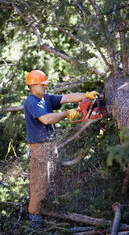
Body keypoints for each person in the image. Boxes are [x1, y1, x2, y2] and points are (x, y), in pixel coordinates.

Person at [24, 70, 99, 227]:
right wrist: (66, 113)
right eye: (42, 84)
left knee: (56, 176)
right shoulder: (31, 102)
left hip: (51, 145)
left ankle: (55, 206)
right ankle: (35, 215)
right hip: (39, 147)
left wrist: (86, 95)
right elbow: (46, 119)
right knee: (40, 182)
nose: (45, 87)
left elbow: (68, 97)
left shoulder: (47, 98)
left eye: (45, 84)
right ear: (32, 85)